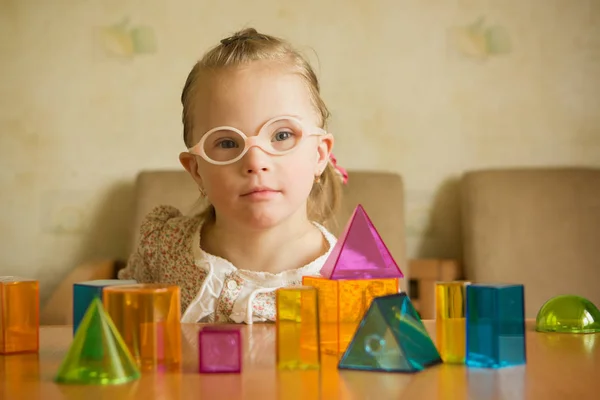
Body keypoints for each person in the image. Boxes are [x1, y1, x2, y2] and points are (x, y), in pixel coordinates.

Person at [118, 28, 349, 324]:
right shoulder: (163, 247)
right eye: (227, 143)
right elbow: (118, 329)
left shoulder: (348, 276)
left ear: (320, 155)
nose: (255, 162)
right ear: (196, 170)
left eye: (281, 134)